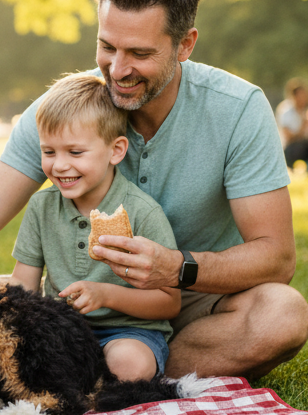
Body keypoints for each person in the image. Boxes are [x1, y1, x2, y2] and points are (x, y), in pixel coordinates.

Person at [0, 0, 308, 381]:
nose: (118, 69)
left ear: (185, 44)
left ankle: (112, 368)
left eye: (140, 53)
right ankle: (114, 370)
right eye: (107, 47)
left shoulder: (237, 109)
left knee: (284, 315)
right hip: (72, 303)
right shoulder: (65, 112)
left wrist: (175, 267)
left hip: (193, 298)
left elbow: (276, 257)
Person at [9, 73, 181, 381]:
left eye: (75, 152)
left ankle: (85, 384)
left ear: (116, 151)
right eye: (49, 152)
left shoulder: (142, 212)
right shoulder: (41, 207)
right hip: (64, 328)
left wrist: (105, 295)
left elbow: (169, 302)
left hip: (129, 332)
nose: (59, 165)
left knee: (129, 364)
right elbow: (23, 284)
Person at [276, 78, 308, 166]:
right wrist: (302, 129)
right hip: (289, 147)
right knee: (298, 147)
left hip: (306, 144)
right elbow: (288, 136)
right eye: (301, 95)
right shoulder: (285, 110)